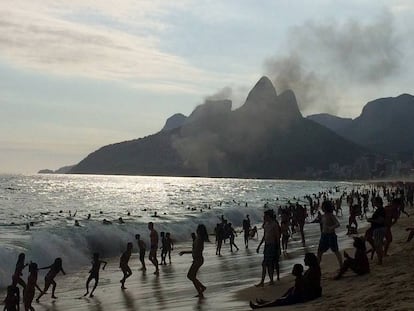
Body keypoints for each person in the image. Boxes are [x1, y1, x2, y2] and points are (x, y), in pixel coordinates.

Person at [179, 224, 209, 298]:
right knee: (192, 276)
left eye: (197, 229)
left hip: (198, 259)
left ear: (199, 230)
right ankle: (201, 289)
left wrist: (185, 252)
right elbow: (194, 250)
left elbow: (195, 251)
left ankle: (201, 289)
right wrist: (185, 252)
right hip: (197, 259)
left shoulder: (199, 239)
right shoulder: (198, 238)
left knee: (190, 276)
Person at [256, 209, 281, 287]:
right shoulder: (266, 225)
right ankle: (263, 281)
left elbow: (277, 237)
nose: (264, 217)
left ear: (268, 216)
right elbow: (264, 236)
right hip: (267, 245)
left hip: (272, 245)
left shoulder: (274, 225)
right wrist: (259, 246)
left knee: (269, 264)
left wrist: (278, 248)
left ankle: (271, 280)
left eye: (265, 216)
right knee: (264, 264)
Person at [317, 201, 343, 270]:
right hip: (324, 235)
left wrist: (331, 227)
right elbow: (321, 224)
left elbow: (337, 224)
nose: (321, 208)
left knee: (335, 251)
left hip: (331, 235)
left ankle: (341, 265)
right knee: (319, 252)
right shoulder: (323, 216)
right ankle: (316, 267)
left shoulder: (331, 215)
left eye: (323, 207)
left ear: (325, 208)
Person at [367, 196, 386, 264]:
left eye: (374, 201)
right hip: (379, 228)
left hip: (379, 229)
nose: (373, 203)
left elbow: (380, 221)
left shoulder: (380, 210)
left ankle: (380, 260)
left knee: (378, 245)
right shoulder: (380, 209)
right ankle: (380, 259)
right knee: (378, 244)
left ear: (377, 202)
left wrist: (371, 220)